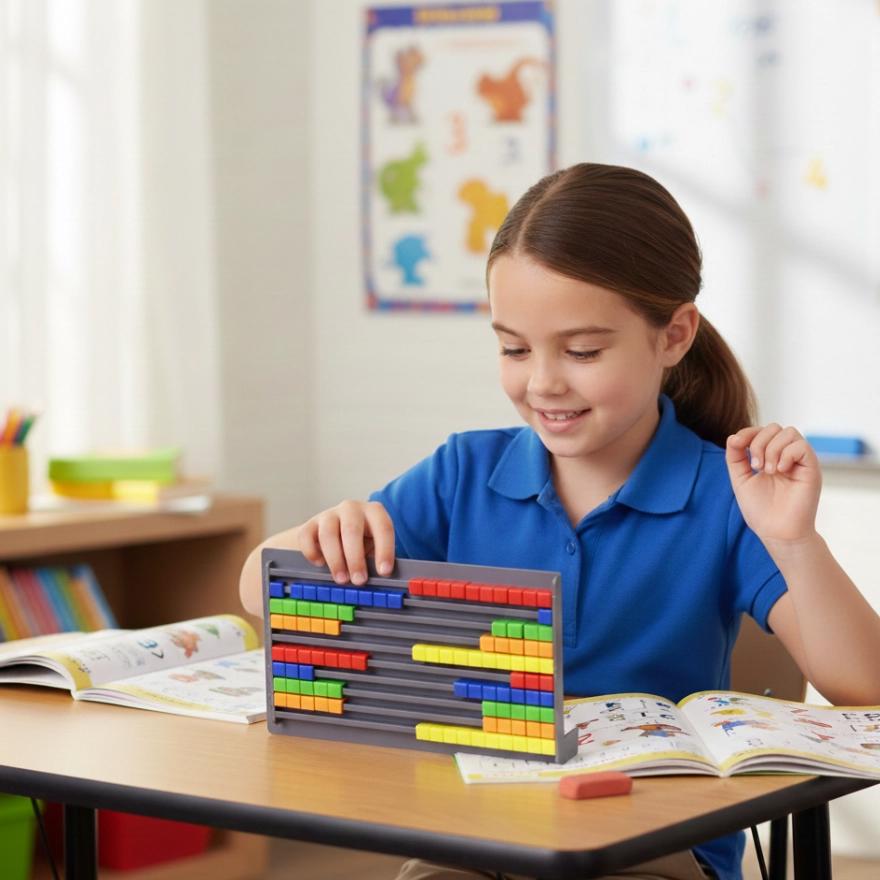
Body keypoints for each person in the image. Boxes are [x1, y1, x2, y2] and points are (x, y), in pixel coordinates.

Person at [239, 163, 880, 880]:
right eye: (513, 348)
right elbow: (256, 588)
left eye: (582, 352)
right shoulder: (462, 474)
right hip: (478, 831)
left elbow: (865, 684)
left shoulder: (726, 496)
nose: (542, 382)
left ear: (673, 337)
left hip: (652, 845)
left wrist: (793, 540)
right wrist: (315, 541)